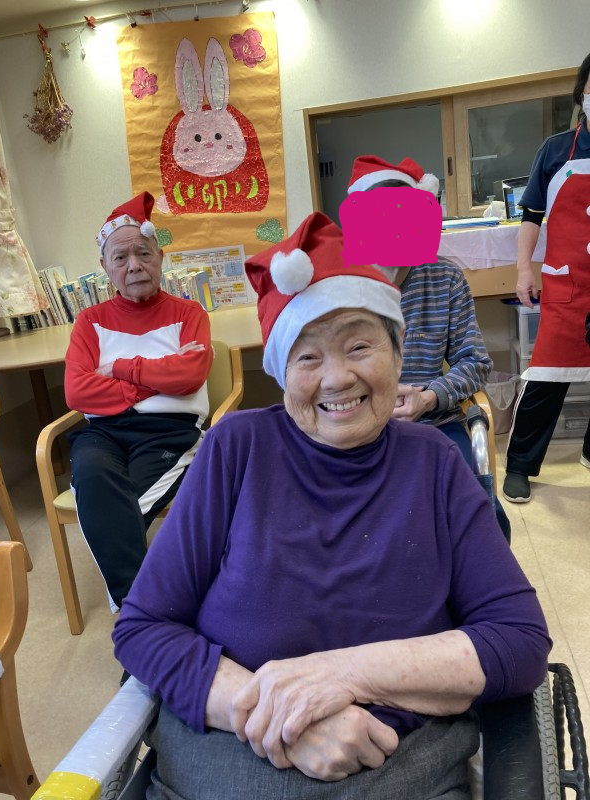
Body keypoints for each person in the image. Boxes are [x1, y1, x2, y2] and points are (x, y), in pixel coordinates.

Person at [112, 212, 550, 799]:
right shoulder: (234, 448)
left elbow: (520, 641)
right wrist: (283, 717)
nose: (337, 378)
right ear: (281, 371)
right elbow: (143, 627)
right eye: (308, 357)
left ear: (398, 353)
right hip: (227, 756)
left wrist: (340, 675)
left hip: (399, 769)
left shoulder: (436, 465)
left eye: (359, 345)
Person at [345, 156, 511, 538]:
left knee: (481, 519)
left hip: (434, 423)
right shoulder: (341, 282)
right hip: (355, 426)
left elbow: (475, 361)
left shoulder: (444, 277)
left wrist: (429, 398)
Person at [64, 191, 212, 611]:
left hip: (168, 431)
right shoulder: (89, 322)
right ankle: (145, 613)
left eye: (143, 253)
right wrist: (158, 379)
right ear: (105, 267)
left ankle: (135, 617)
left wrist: (119, 369)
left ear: (160, 257)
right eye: (120, 257)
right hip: (103, 432)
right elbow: (77, 391)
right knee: (92, 477)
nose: (134, 266)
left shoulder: (189, 313)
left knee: (114, 509)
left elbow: (190, 376)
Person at [503, 54, 590, 503]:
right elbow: (532, 217)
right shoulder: (556, 151)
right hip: (568, 284)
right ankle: (520, 465)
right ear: (582, 94)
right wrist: (524, 269)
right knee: (547, 378)